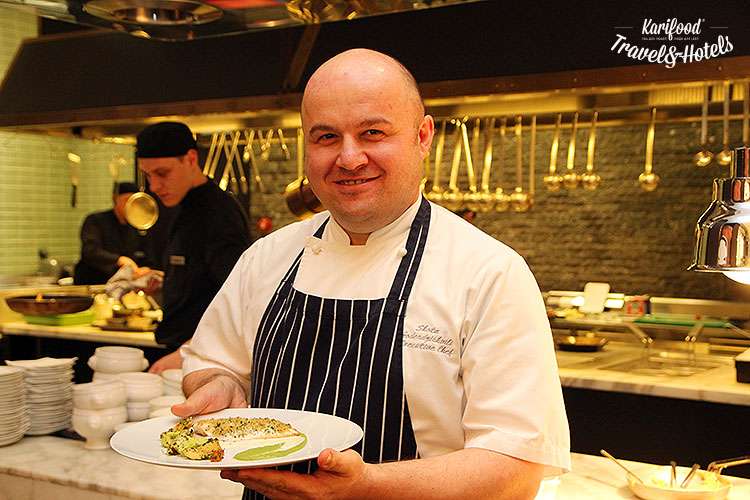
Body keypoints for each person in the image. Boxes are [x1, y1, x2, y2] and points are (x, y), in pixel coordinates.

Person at [175, 49, 570, 499]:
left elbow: (516, 472)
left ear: (423, 136)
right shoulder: (266, 257)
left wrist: (366, 488)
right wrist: (218, 385)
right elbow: (212, 363)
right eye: (326, 137)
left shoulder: (489, 273)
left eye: (373, 133)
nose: (349, 158)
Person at [135, 122, 250, 374]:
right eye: (148, 175)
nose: (154, 186)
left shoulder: (219, 212)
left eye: (162, 173)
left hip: (205, 359)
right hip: (180, 350)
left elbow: (239, 297)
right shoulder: (180, 206)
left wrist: (187, 352)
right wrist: (167, 283)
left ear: (191, 159)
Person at [74, 182, 157, 285]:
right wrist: (119, 260)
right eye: (126, 200)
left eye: (134, 202)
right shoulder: (96, 220)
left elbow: (146, 254)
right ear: (115, 199)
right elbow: (90, 251)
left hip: (124, 285)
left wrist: (145, 268)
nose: (130, 205)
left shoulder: (137, 225)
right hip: (93, 281)